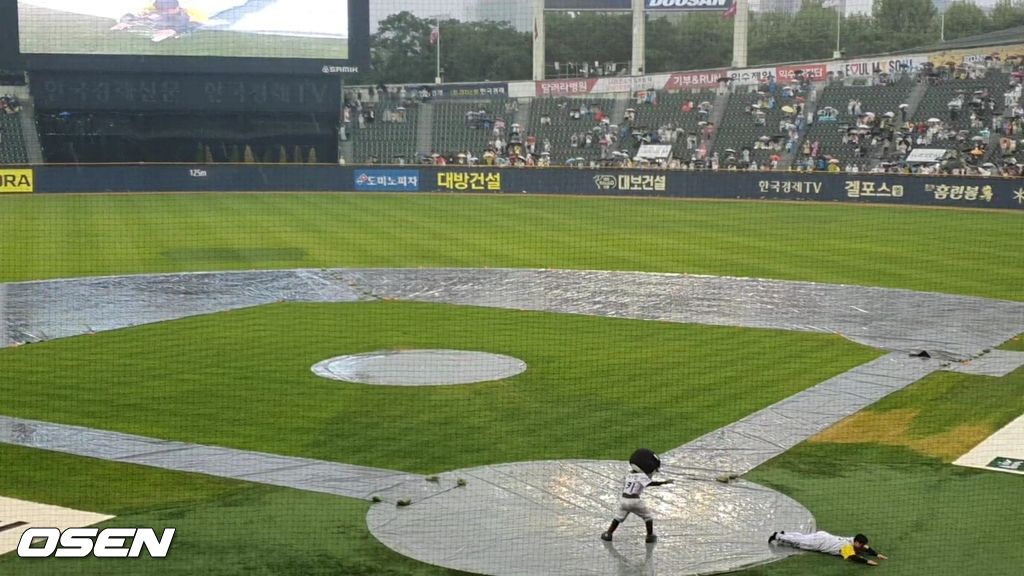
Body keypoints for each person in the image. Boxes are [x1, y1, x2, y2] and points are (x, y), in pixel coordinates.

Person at [601, 448, 673, 544]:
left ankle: (608, 534)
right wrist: (664, 482)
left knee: (618, 518)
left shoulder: (629, 475)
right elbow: (650, 483)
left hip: (623, 500)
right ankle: (650, 536)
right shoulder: (642, 476)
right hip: (634, 501)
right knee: (648, 517)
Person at [769, 531, 887, 566]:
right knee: (799, 543)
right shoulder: (846, 547)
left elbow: (866, 548)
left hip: (824, 536)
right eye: (860, 544)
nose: (862, 547)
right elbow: (853, 557)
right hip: (818, 542)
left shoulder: (852, 539)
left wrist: (876, 555)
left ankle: (786, 533)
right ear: (856, 542)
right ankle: (777, 536)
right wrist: (868, 561)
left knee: (803, 538)